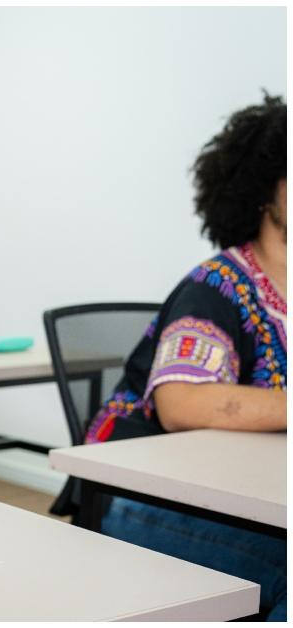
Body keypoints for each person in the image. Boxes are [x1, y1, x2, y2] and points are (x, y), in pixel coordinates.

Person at [86, 94, 286, 621]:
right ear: (267, 191)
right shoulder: (216, 286)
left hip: (251, 499)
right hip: (142, 499)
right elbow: (182, 403)